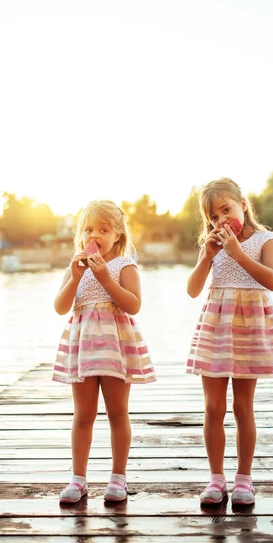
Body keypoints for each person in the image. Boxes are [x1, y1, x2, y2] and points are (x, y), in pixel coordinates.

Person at [186, 178, 273, 507]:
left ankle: (244, 479)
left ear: (243, 204)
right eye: (213, 218)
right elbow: (192, 289)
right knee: (213, 407)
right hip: (217, 324)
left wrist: (237, 253)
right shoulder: (213, 245)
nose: (221, 221)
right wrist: (206, 257)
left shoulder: (264, 239)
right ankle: (216, 479)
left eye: (226, 210)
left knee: (243, 407)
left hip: (249, 328)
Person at [52, 200, 156, 504]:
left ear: (117, 235)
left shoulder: (125, 265)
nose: (93, 235)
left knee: (116, 412)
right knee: (83, 414)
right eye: (88, 229)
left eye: (103, 229)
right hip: (84, 348)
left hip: (114, 347)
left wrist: (106, 278)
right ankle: (78, 478)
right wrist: (74, 277)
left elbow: (133, 304)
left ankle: (118, 478)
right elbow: (60, 307)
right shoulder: (75, 267)